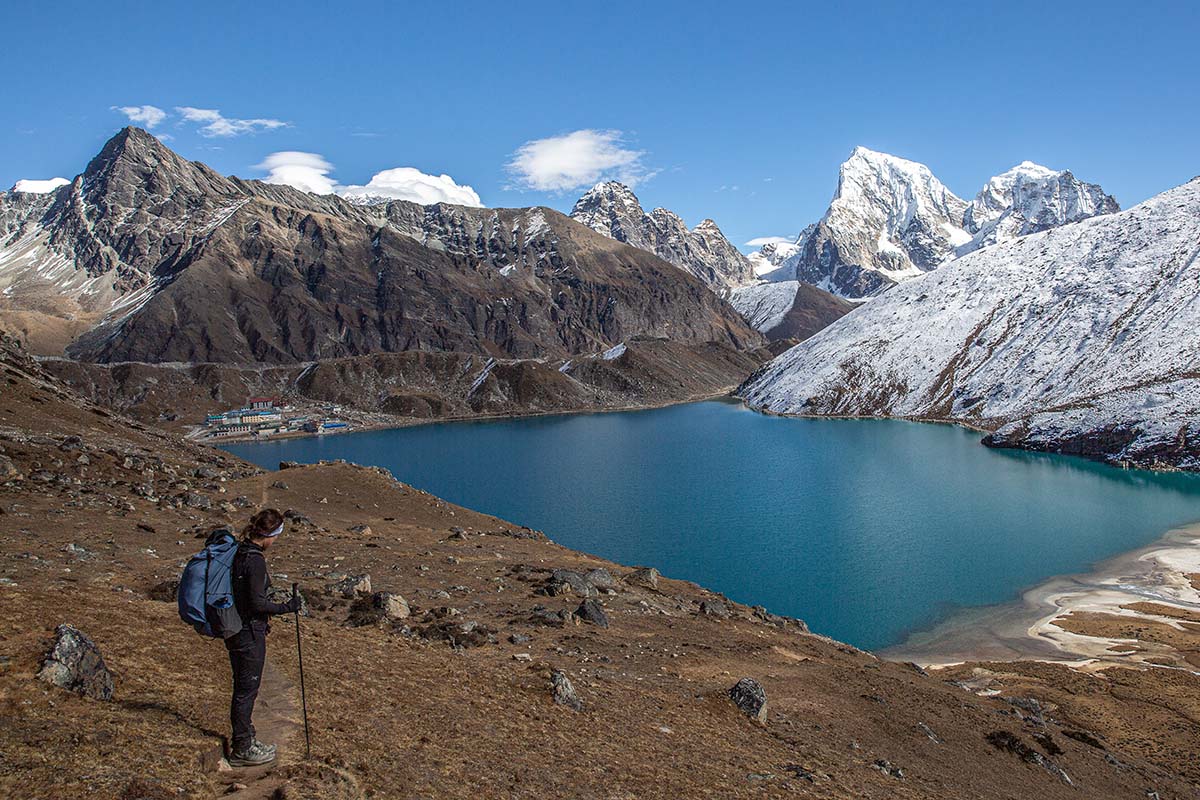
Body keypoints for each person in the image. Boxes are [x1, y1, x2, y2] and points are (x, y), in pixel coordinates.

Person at [226, 508, 301, 767]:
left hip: (237, 628)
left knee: (245, 687)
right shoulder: (255, 560)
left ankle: (247, 738)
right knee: (247, 690)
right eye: (277, 535)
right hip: (248, 631)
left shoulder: (240, 551)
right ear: (270, 534)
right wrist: (286, 607)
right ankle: (242, 749)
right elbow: (257, 603)